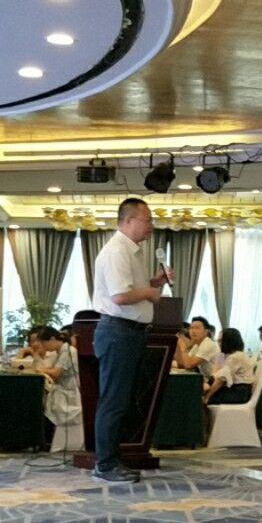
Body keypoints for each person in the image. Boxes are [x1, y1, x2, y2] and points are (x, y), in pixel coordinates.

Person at [90, 197, 171, 483]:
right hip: (119, 332)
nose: (151, 226)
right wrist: (149, 293)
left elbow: (128, 289)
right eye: (147, 220)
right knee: (114, 400)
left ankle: (113, 458)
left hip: (128, 333)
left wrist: (154, 283)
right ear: (128, 221)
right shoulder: (117, 251)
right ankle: (104, 464)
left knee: (122, 399)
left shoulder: (131, 251)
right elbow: (120, 296)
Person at [29, 326, 83, 452]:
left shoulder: (68, 351)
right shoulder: (59, 351)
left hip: (69, 389)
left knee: (69, 422)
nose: (43, 346)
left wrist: (39, 370)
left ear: (52, 339)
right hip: (62, 389)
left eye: (44, 343)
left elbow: (56, 373)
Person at [203, 328, 257, 404]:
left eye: (221, 341)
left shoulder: (236, 357)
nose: (218, 343)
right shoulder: (229, 355)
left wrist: (207, 396)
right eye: (218, 340)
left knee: (201, 397)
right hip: (236, 390)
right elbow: (216, 374)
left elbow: (221, 380)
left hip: (239, 393)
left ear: (229, 341)